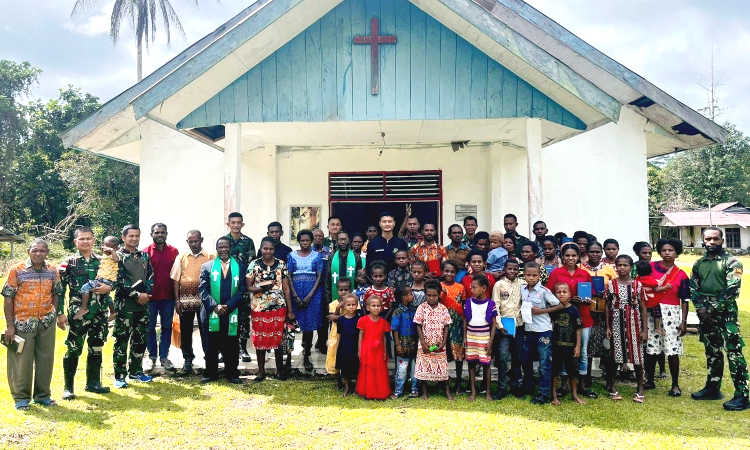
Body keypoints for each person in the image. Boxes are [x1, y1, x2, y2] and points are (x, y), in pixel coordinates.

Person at [689, 227, 749, 411]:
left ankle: (742, 395)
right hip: (705, 314)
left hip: (726, 314)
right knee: (712, 352)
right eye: (708, 239)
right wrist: (700, 309)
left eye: (716, 239)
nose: (712, 242)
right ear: (703, 241)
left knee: (734, 353)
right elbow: (693, 287)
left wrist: (712, 310)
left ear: (722, 241)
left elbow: (733, 290)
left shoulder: (734, 263)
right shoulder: (699, 264)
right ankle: (712, 388)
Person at [2, 239, 64, 410]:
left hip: (46, 321)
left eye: (42, 251)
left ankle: (43, 395)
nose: (38, 254)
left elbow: (57, 292)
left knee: (45, 359)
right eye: (35, 250)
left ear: (47, 252)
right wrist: (10, 326)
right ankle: (21, 398)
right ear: (29, 251)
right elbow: (8, 297)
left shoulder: (52, 270)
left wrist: (53, 313)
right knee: (22, 361)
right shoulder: (17, 270)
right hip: (22, 323)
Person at [59, 228, 115, 401]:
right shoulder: (69, 263)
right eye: (82, 239)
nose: (85, 241)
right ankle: (68, 388)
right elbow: (59, 290)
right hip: (79, 314)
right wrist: (60, 313)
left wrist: (110, 289)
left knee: (96, 347)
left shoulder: (103, 261)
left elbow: (113, 281)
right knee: (74, 349)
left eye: (88, 239)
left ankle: (93, 383)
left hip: (99, 312)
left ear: (93, 240)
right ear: (75, 241)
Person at [546, 243, 594, 397]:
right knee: (563, 351)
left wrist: (587, 300)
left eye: (574, 255)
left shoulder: (585, 274)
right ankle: (564, 384)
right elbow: (549, 295)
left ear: (578, 257)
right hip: (562, 318)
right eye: (567, 255)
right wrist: (567, 300)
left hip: (583, 316)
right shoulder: (556, 273)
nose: (570, 258)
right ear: (562, 257)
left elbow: (591, 294)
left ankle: (582, 384)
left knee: (582, 351)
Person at [645, 238, 690, 397]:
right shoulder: (650, 267)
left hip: (672, 314)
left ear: (677, 252)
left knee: (672, 350)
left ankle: (675, 385)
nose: (667, 253)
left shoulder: (681, 274)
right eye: (664, 250)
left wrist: (683, 322)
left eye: (670, 250)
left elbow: (685, 300)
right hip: (651, 312)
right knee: (651, 348)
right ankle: (649, 379)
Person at [245, 237, 295, 382]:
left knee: (278, 339)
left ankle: (279, 371)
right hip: (259, 308)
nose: (268, 251)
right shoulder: (253, 264)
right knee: (260, 339)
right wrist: (260, 287)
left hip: (278, 307)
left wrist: (290, 310)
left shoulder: (281, 264)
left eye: (271, 249)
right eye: (265, 248)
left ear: (274, 250)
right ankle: (261, 372)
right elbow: (248, 286)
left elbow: (286, 288)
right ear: (260, 249)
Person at [199, 237, 246, 383]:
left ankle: (232, 373)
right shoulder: (207, 267)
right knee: (211, 345)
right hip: (212, 312)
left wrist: (229, 306)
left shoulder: (240, 267)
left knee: (231, 345)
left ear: (230, 247)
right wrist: (215, 306)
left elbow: (242, 290)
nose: (223, 249)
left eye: (226, 247)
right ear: (217, 248)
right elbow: (202, 290)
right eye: (220, 247)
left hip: (232, 312)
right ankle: (210, 373)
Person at [112, 225, 154, 388]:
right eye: (131, 236)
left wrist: (147, 293)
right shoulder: (117, 256)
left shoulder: (144, 256)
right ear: (123, 237)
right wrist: (136, 295)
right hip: (125, 306)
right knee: (122, 340)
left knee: (140, 339)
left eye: (137, 236)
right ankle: (120, 376)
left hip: (143, 307)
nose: (134, 239)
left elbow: (150, 275)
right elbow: (118, 280)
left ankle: (136, 372)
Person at [170, 230, 215, 372]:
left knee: (206, 330)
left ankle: (209, 358)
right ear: (187, 242)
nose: (194, 244)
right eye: (191, 241)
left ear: (201, 240)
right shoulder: (181, 257)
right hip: (185, 301)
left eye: (196, 241)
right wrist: (177, 301)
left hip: (204, 301)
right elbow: (176, 280)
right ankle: (188, 359)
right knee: (186, 331)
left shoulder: (211, 256)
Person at [606, 255, 648, 403]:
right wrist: (608, 327)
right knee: (615, 355)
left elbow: (643, 308)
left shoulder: (638, 285)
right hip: (617, 322)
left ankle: (640, 388)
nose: (622, 268)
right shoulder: (612, 284)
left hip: (634, 322)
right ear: (615, 267)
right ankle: (612, 386)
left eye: (625, 265)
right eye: (619, 265)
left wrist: (644, 330)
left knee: (637, 356)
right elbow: (607, 306)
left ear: (631, 267)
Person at [578, 241, 617, 396]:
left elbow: (615, 287)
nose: (595, 254)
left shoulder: (608, 269)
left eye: (598, 252)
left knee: (607, 348)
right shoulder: (581, 268)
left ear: (601, 253)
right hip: (586, 313)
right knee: (585, 347)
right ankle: (586, 378)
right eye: (592, 252)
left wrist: (606, 293)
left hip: (604, 314)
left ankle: (609, 380)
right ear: (587, 252)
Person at [520, 262, 562, 405]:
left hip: (543, 331)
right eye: (528, 275)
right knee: (525, 360)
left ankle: (544, 392)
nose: (531, 278)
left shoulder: (544, 291)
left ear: (539, 276)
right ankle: (529, 386)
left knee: (544, 363)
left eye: (534, 275)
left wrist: (542, 311)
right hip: (528, 330)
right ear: (524, 275)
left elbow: (559, 305)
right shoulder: (523, 289)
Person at [287, 229, 325, 371]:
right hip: (295, 291)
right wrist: (295, 295)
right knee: (291, 326)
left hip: (312, 293)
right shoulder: (291, 255)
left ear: (312, 241)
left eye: (307, 240)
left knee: (308, 328)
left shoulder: (317, 256)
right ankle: (289, 358)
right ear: (299, 241)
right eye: (302, 240)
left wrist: (309, 296)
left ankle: (306, 355)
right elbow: (289, 276)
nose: (305, 243)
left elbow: (319, 277)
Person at [143, 223, 179, 371]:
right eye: (157, 232)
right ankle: (151, 357)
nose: (160, 235)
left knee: (166, 327)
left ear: (166, 234)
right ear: (151, 234)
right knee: (150, 327)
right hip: (151, 298)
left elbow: (177, 275)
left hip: (168, 297)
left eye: (162, 233)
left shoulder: (174, 251)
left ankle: (164, 357)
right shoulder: (144, 252)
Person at [414, 280, 453, 401]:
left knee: (443, 369)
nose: (431, 298)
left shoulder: (443, 308)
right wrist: (423, 343)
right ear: (425, 295)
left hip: (439, 344)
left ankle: (447, 392)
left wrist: (443, 342)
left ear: (439, 295)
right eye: (429, 295)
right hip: (425, 344)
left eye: (434, 295)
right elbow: (418, 325)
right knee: (424, 368)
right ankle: (424, 392)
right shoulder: (422, 308)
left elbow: (447, 325)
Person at [492, 259, 526, 399]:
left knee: (517, 357)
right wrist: (499, 326)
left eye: (515, 269)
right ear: (504, 269)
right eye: (509, 269)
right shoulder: (499, 284)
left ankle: (515, 386)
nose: (512, 271)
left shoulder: (523, 284)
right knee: (503, 357)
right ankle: (501, 387)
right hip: (504, 326)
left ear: (518, 270)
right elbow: (496, 306)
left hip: (519, 325)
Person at [226, 212, 256, 364]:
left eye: (239, 222)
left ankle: (243, 349)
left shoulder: (248, 242)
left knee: (244, 318)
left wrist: (248, 286)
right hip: (226, 288)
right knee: (226, 318)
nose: (236, 225)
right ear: (228, 224)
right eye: (233, 222)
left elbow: (252, 266)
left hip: (243, 287)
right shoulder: (224, 241)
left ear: (242, 224)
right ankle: (226, 350)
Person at [550, 283, 585, 406]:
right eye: (559, 292)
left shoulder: (573, 309)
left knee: (572, 372)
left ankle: (574, 394)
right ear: (555, 295)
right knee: (555, 371)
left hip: (570, 347)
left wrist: (578, 346)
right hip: (556, 346)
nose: (562, 294)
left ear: (570, 294)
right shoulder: (553, 309)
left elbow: (578, 328)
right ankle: (554, 396)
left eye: (565, 292)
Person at [463, 275, 497, 401]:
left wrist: (490, 341)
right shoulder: (468, 302)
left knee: (486, 364)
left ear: (483, 288)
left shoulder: (490, 304)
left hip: (484, 336)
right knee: (471, 364)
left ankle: (488, 392)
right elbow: (465, 320)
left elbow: (493, 324)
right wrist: (464, 337)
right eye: (471, 287)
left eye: (474, 287)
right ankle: (473, 392)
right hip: (471, 335)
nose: (471, 289)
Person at [75, 236, 119, 320]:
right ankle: (113, 312)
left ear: (115, 248)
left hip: (107, 281)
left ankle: (84, 308)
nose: (106, 249)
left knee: (85, 287)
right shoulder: (103, 257)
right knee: (106, 295)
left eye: (110, 247)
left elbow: (116, 260)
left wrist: (112, 251)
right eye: (105, 246)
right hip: (101, 279)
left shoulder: (114, 256)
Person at [356, 296, 392, 400]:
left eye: (378, 306)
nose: (376, 308)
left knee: (379, 369)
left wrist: (385, 351)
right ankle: (367, 391)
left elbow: (384, 337)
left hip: (379, 349)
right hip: (367, 349)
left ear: (381, 307)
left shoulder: (383, 322)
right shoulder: (363, 320)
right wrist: (359, 350)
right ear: (368, 308)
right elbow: (360, 336)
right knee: (368, 370)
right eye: (373, 306)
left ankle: (380, 391)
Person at [440, 260, 467, 394]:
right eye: (446, 271)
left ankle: (458, 383)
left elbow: (462, 307)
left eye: (452, 271)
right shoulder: (439, 286)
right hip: (441, 323)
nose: (449, 274)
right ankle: (442, 382)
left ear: (456, 273)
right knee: (442, 353)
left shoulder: (460, 287)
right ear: (442, 271)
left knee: (458, 354)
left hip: (457, 323)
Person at [391, 284, 420, 398]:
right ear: (404, 297)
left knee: (415, 368)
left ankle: (414, 389)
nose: (413, 295)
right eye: (410, 294)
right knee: (402, 369)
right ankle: (398, 391)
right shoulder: (398, 312)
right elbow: (395, 329)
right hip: (402, 344)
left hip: (414, 343)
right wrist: (397, 344)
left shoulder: (414, 309)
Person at [326, 278, 353, 385]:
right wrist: (339, 307)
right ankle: (338, 381)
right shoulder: (333, 304)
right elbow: (333, 316)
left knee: (347, 356)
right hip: (335, 334)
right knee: (334, 354)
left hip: (348, 334)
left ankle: (349, 381)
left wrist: (338, 317)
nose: (343, 292)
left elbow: (351, 317)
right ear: (337, 290)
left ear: (350, 290)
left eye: (346, 290)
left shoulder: (353, 303)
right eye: (341, 290)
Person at [635, 261, 670, 340]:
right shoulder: (651, 280)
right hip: (653, 301)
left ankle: (641, 327)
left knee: (641, 314)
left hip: (643, 302)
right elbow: (657, 289)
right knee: (657, 314)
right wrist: (666, 287)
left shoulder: (637, 280)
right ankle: (657, 327)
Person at [335, 294, 361, 397]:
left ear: (357, 305)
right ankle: (347, 388)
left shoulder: (359, 319)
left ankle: (356, 388)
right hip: (344, 346)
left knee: (356, 368)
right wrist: (338, 348)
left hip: (354, 346)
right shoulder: (341, 320)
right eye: (348, 305)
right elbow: (339, 334)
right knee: (345, 369)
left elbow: (361, 334)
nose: (351, 307)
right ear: (344, 306)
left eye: (353, 304)